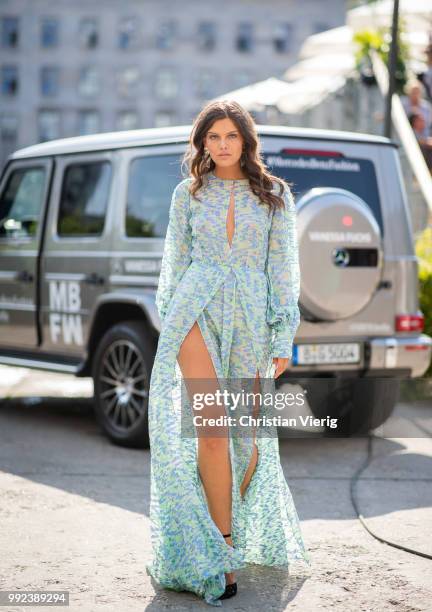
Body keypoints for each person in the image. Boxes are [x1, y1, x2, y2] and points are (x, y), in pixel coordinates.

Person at [145, 99, 311, 606]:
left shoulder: (276, 195)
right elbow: (175, 261)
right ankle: (221, 551)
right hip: (194, 310)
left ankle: (226, 524)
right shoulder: (188, 192)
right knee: (210, 434)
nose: (220, 145)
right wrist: (172, 318)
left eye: (229, 136)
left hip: (251, 319)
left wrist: (284, 333)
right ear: (202, 143)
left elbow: (282, 270)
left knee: (246, 439)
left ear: (245, 140)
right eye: (211, 137)